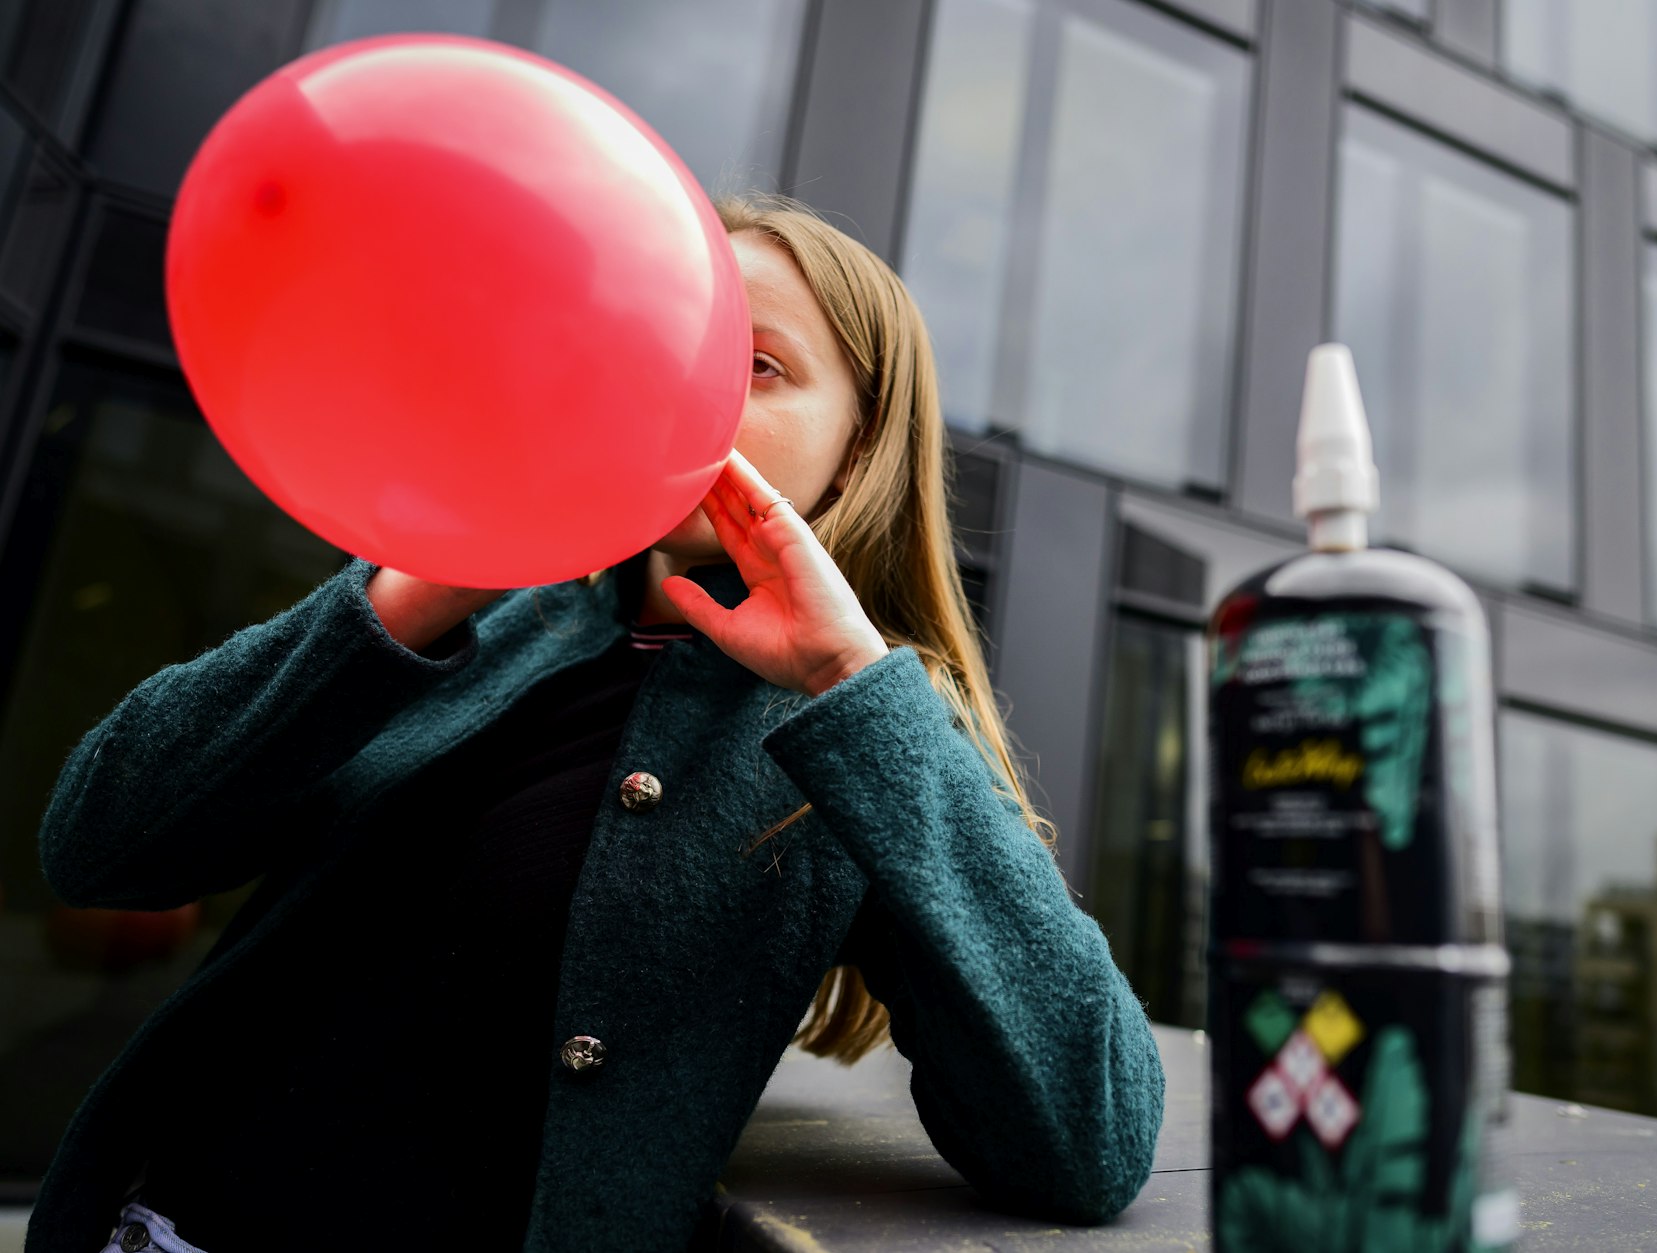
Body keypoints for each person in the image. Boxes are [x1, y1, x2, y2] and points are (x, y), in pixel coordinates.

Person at [29, 195, 1166, 1253]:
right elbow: (99, 842)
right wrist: (418, 587)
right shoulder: (469, 604)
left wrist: (847, 675)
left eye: (758, 365)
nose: (694, 388)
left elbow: (1091, 1140)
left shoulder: (867, 723)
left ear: (859, 450)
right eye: (674, 344)